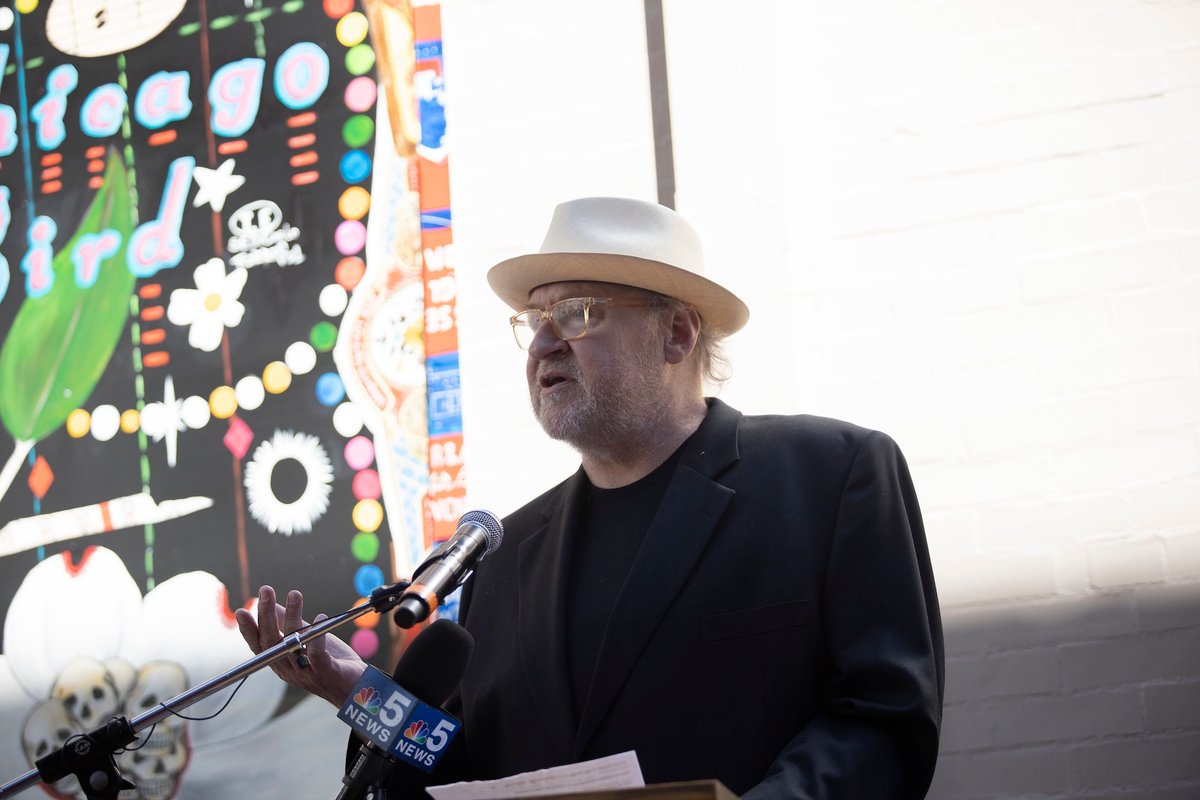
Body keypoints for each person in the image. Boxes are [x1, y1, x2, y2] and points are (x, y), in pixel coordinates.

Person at [237, 196, 945, 799]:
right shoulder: (505, 557)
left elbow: (884, 723)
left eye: (576, 313)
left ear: (676, 333)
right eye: (534, 320)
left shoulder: (827, 477)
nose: (542, 343)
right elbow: (465, 772)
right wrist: (359, 692)